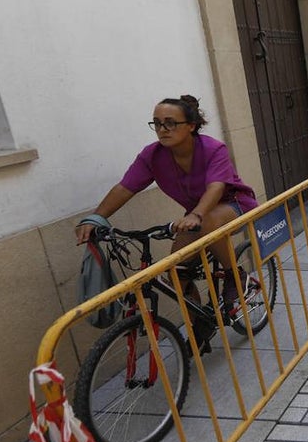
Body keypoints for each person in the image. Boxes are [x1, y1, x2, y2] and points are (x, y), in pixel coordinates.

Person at [75, 95, 257, 316]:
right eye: (157, 123)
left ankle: (234, 275)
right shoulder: (152, 156)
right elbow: (124, 188)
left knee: (208, 220)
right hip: (196, 217)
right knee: (176, 271)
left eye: (170, 123)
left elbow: (216, 187)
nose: (163, 129)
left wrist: (197, 214)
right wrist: (95, 218)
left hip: (234, 206)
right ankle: (199, 325)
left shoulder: (213, 149)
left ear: (191, 125)